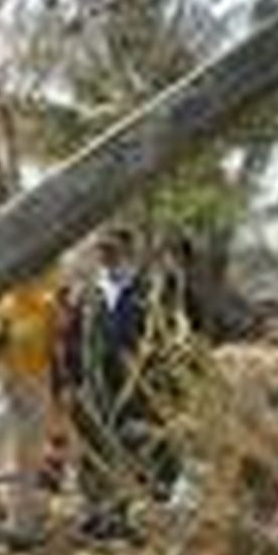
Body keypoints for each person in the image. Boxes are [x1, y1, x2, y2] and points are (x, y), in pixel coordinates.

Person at [61, 229, 178, 538]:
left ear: (129, 251)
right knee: (93, 449)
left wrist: (162, 387)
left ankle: (123, 515)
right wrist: (71, 382)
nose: (107, 255)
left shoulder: (148, 293)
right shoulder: (86, 293)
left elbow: (167, 342)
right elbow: (70, 340)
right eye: (103, 250)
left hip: (136, 387)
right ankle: (95, 512)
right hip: (93, 386)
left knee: (132, 449)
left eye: (113, 250)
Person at [0, 268, 63, 547]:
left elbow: (56, 349)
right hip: (5, 378)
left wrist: (61, 392)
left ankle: (20, 527)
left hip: (37, 379)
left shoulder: (48, 305)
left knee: (28, 455)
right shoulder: (3, 305)